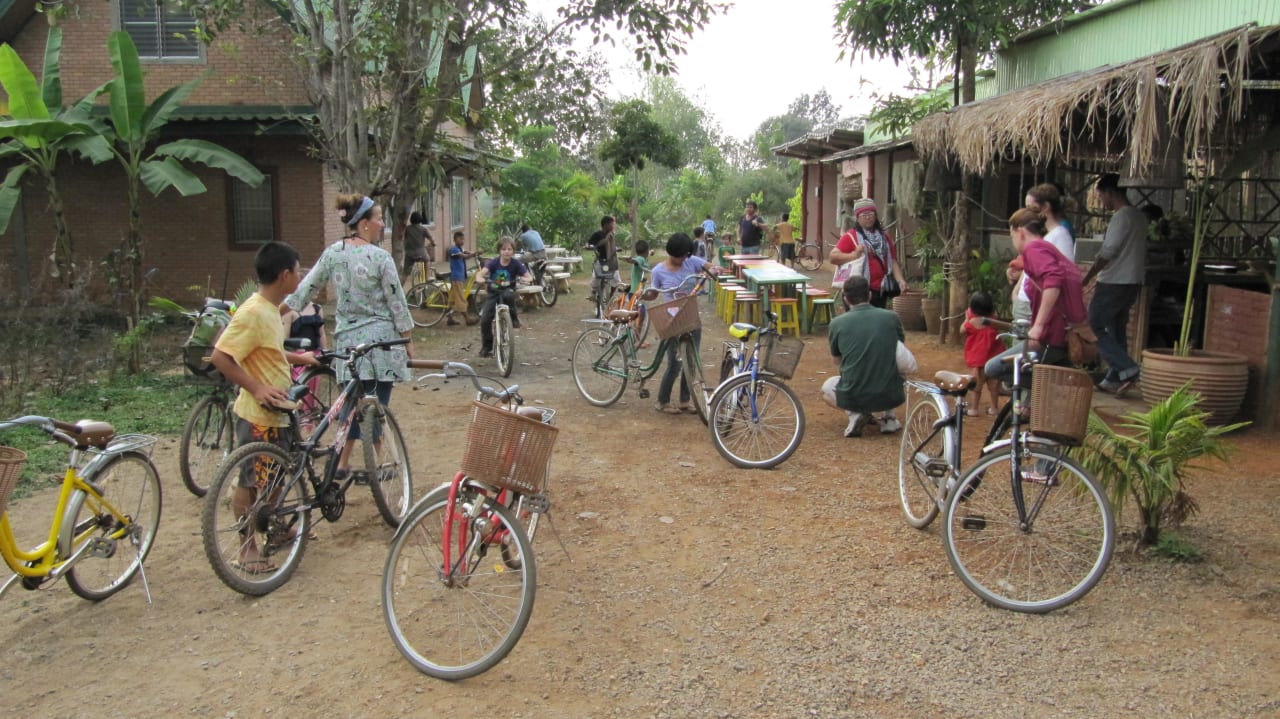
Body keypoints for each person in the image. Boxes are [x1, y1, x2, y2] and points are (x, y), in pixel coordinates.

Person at [284, 193, 415, 475]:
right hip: (382, 343)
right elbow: (397, 303)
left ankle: (342, 462)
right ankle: (380, 462)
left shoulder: (333, 253)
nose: (382, 224)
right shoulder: (380, 258)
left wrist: (277, 309)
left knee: (352, 400)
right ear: (364, 223)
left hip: (348, 344)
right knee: (378, 403)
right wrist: (408, 340)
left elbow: (306, 288)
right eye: (379, 219)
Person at [210, 241, 319, 572]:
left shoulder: (271, 310)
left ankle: (277, 528)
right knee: (250, 482)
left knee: (273, 478)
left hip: (278, 413)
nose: (300, 278)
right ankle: (247, 549)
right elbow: (220, 356)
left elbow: (267, 351)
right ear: (285, 275)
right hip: (258, 416)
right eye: (298, 271)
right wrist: (256, 387)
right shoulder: (253, 312)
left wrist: (299, 357)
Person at [984, 208, 1086, 384]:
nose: (1013, 240)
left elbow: (1053, 279)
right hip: (1063, 333)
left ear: (1020, 232)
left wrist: (1038, 326)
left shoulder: (1034, 249)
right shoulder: (1046, 248)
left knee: (993, 368)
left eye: (1012, 235)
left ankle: (1036, 395)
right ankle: (1034, 403)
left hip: (1051, 335)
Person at [1083, 173, 1145, 395]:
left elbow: (1108, 252)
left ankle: (1127, 368)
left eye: (1101, 196)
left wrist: (1089, 275)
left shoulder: (1121, 217)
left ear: (1109, 192)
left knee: (1094, 325)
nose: (1102, 202)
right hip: (1132, 281)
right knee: (1117, 327)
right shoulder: (1138, 216)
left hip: (1114, 281)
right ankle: (1114, 377)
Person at [821, 275, 907, 437]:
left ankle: (855, 414)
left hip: (854, 392)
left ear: (846, 300)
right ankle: (889, 418)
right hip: (890, 393)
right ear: (869, 295)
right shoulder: (891, 317)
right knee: (896, 364)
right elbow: (899, 348)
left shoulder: (837, 323)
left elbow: (837, 360)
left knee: (826, 389)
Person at [651, 232, 710, 415]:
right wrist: (644, 294)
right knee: (674, 364)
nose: (684, 258)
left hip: (691, 318)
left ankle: (685, 400)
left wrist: (714, 270)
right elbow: (653, 292)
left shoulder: (691, 262)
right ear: (672, 252)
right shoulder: (658, 271)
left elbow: (708, 266)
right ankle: (663, 401)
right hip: (672, 321)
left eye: (686, 255)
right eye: (681, 255)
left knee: (691, 361)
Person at [474, 236, 533, 358]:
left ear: (513, 251)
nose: (507, 252)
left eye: (510, 249)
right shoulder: (493, 262)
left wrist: (524, 278)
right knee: (485, 319)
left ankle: (514, 318)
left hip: (508, 290)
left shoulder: (516, 263)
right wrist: (479, 278)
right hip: (493, 292)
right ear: (499, 251)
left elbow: (529, 277)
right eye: (504, 249)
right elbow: (481, 273)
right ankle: (487, 346)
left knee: (508, 295)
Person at [845, 198, 908, 307]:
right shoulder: (850, 236)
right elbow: (833, 257)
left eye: (871, 213)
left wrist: (901, 281)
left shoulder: (884, 237)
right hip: (858, 290)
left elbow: (892, 261)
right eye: (864, 215)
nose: (868, 217)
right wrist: (853, 255)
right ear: (857, 218)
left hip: (880, 288)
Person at [961, 291, 1004, 416]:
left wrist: (966, 318)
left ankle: (974, 409)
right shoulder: (994, 320)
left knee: (976, 387)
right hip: (993, 359)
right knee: (994, 386)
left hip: (978, 362)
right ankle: (994, 408)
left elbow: (961, 330)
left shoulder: (972, 322)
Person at [445, 230, 478, 326]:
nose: (462, 241)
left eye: (463, 239)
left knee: (452, 298)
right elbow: (464, 256)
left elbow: (467, 252)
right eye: (460, 239)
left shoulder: (460, 248)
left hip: (459, 277)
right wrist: (473, 254)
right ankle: (467, 319)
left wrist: (474, 253)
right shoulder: (454, 250)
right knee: (460, 298)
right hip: (457, 277)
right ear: (455, 240)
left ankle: (449, 319)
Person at [587, 215, 619, 302]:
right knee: (596, 277)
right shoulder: (598, 234)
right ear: (605, 225)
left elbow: (612, 246)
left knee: (616, 280)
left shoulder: (612, 235)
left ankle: (610, 296)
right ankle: (593, 293)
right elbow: (591, 244)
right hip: (601, 259)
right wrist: (606, 239)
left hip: (611, 261)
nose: (613, 226)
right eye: (612, 224)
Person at [401, 211, 433, 279]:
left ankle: (400, 287)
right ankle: (427, 277)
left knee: (405, 273)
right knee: (427, 260)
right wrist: (433, 244)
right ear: (420, 219)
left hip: (409, 253)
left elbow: (403, 238)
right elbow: (431, 239)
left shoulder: (407, 229)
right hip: (421, 253)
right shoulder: (423, 229)